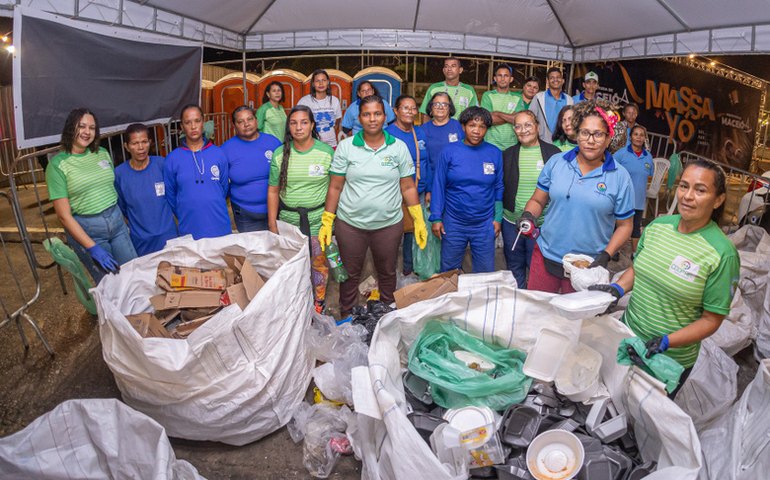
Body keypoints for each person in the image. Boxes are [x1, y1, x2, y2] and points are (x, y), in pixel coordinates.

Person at [590, 159, 739, 398]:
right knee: (611, 403)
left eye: (700, 190)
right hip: (627, 338)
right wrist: (616, 289)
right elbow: (640, 269)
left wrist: (667, 341)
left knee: (640, 423)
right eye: (683, 186)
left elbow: (712, 319)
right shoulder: (658, 226)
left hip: (668, 359)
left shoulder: (722, 253)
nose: (687, 196)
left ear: (718, 199)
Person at [319, 96, 428, 316]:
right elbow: (335, 187)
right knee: (349, 274)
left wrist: (418, 218)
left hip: (388, 225)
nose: (372, 119)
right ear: (359, 118)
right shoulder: (346, 147)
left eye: (377, 113)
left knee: (387, 272)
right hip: (350, 225)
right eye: (366, 114)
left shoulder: (398, 147)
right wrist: (327, 220)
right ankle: (347, 317)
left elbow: (407, 187)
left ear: (385, 117)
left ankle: (386, 315)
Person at [518, 100, 634, 293]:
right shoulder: (557, 162)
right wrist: (529, 215)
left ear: (608, 139)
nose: (590, 140)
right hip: (546, 255)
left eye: (598, 134)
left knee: (576, 322)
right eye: (585, 132)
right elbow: (538, 200)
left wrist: (607, 254)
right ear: (576, 134)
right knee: (539, 315)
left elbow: (625, 225)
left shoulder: (620, 177)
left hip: (588, 265)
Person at [46, 108, 137, 283]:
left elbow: (109, 189)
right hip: (89, 231)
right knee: (109, 284)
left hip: (116, 223)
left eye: (92, 127)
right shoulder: (57, 165)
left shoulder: (102, 153)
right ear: (71, 127)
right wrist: (92, 247)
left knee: (133, 273)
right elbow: (64, 216)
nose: (87, 132)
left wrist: (122, 220)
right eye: (82, 126)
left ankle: (139, 311)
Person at [267, 105, 335, 312]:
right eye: (294, 123)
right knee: (292, 266)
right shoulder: (280, 154)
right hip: (289, 223)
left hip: (318, 220)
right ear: (289, 127)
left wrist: (331, 221)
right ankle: (295, 305)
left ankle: (318, 303)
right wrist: (272, 225)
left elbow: (335, 188)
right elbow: (272, 191)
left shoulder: (326, 153)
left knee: (319, 264)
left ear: (312, 125)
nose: (299, 127)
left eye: (304, 122)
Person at [430, 106, 503, 273]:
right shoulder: (449, 152)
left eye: (482, 127)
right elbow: (438, 185)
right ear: (463, 127)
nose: (476, 131)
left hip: (484, 224)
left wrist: (497, 217)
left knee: (485, 273)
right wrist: (436, 218)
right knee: (450, 272)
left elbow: (498, 186)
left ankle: (480, 300)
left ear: (486, 129)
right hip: (454, 222)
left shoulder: (495, 153)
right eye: (472, 125)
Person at [501, 110, 561, 288]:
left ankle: (533, 302)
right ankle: (518, 299)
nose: (523, 130)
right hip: (511, 222)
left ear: (537, 127)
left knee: (537, 266)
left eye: (527, 125)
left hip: (542, 224)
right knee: (514, 265)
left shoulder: (553, 154)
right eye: (518, 126)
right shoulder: (507, 154)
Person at [164, 104, 231, 239]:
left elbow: (224, 187)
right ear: (182, 126)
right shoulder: (172, 158)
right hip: (189, 226)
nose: (193, 126)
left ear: (203, 123)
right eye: (188, 122)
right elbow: (171, 194)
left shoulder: (218, 153)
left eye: (197, 121)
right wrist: (185, 210)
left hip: (219, 223)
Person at [114, 123, 177, 256]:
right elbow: (123, 208)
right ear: (126, 146)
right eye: (135, 143)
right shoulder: (120, 174)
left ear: (150, 143)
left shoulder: (161, 164)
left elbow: (173, 194)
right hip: (142, 240)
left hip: (169, 236)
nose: (141, 147)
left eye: (144, 142)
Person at [385, 95, 431, 276]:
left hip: (417, 191)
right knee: (392, 233)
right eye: (405, 108)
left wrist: (428, 189)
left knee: (413, 231)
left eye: (413, 108)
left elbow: (428, 161)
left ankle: (408, 269)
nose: (410, 112)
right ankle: (388, 271)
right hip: (394, 193)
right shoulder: (388, 134)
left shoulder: (420, 132)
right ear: (396, 111)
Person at [221, 105, 282, 232]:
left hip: (277, 210)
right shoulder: (226, 149)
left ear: (256, 121)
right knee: (252, 250)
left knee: (276, 249)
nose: (246, 124)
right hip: (244, 213)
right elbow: (222, 183)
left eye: (249, 119)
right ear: (234, 126)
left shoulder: (273, 143)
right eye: (240, 121)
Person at [614, 125, 654, 253]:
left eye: (641, 135)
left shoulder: (648, 157)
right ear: (630, 137)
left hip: (638, 200)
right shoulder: (621, 154)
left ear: (644, 138)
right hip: (622, 198)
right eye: (636, 134)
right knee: (617, 225)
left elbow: (649, 177)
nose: (638, 137)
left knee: (636, 228)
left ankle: (634, 254)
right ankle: (614, 251)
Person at [421, 92, 464, 188]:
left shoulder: (458, 126)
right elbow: (424, 162)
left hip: (457, 181)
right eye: (436, 104)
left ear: (450, 108)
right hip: (434, 181)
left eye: (444, 104)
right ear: (431, 107)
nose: (440, 107)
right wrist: (429, 188)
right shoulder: (423, 130)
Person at [481, 64, 525, 151]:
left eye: (506, 76)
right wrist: (511, 116)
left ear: (511, 79)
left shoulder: (518, 97)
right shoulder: (488, 95)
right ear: (495, 78)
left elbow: (518, 120)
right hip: (490, 144)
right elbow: (488, 120)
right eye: (500, 75)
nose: (502, 78)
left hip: (512, 145)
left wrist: (497, 113)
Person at [419, 57, 478, 121]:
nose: (449, 69)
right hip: (437, 129)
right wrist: (425, 130)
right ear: (443, 70)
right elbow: (425, 113)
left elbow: (474, 114)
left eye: (453, 66)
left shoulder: (469, 90)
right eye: (446, 66)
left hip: (460, 130)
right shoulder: (434, 88)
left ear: (460, 70)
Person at [297, 69, 343, 148]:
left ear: (328, 82)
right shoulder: (304, 101)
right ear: (313, 84)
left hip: (331, 145)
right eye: (317, 81)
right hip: (310, 145)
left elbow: (337, 122)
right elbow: (297, 122)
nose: (321, 83)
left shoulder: (334, 101)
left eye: (323, 80)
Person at [530, 67, 574, 142]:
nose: (555, 80)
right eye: (552, 78)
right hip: (542, 142)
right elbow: (530, 119)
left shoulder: (569, 100)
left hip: (562, 143)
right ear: (547, 81)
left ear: (563, 81)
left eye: (558, 77)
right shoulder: (539, 97)